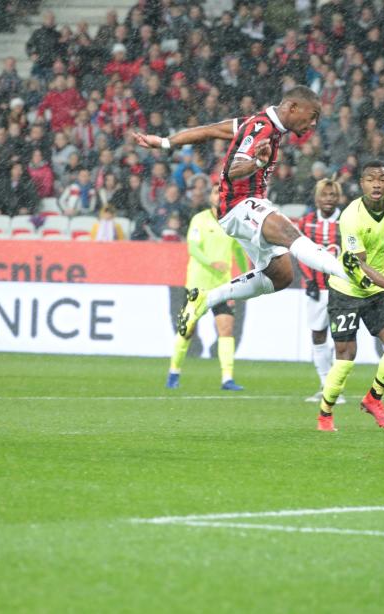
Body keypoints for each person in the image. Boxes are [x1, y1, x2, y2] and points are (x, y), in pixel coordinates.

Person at [133, 86, 352, 340]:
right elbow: (233, 170)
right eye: (312, 115)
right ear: (292, 108)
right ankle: (347, 273)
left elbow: (211, 130)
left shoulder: (258, 123)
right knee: (288, 232)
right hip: (239, 205)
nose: (313, 123)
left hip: (245, 207)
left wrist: (164, 142)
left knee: (281, 276)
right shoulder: (263, 128)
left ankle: (205, 299)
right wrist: (257, 163)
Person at [316, 161, 384, 432]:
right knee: (346, 356)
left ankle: (373, 399)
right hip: (346, 289)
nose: (377, 184)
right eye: (371, 179)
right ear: (362, 183)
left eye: (383, 179)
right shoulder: (351, 216)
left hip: (376, 292)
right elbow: (360, 264)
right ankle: (325, 414)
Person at [166, 184, 248, 392]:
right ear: (211, 197)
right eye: (215, 192)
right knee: (187, 331)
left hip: (223, 287)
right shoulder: (199, 220)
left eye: (222, 192)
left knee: (226, 329)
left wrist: (247, 276)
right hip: (198, 286)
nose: (218, 196)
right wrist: (212, 263)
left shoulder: (233, 222)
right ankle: (174, 372)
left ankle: (227, 378)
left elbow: (239, 249)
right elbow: (193, 248)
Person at [298, 177, 346, 404]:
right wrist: (308, 280)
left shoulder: (346, 223)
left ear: (338, 198)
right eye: (325, 195)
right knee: (318, 334)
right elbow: (297, 252)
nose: (329, 199)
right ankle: (325, 384)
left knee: (342, 337)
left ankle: (336, 389)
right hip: (316, 289)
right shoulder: (305, 223)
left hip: (342, 289)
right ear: (316, 198)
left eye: (333, 195)